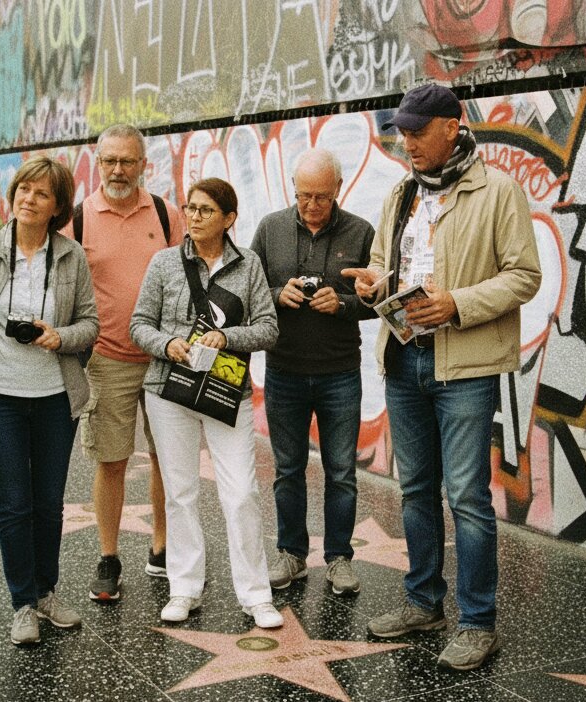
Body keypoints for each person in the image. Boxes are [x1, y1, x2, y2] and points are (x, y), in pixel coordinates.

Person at [343, 83, 541, 671]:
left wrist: (457, 303)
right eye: (401, 132)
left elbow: (524, 276)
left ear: (452, 127)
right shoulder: (401, 194)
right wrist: (373, 284)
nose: (407, 143)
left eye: (417, 131)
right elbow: (386, 264)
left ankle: (478, 624)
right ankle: (424, 602)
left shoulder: (498, 190)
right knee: (415, 491)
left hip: (465, 366)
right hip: (404, 358)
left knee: (468, 498)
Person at [0, 157, 99, 645]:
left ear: (57, 207)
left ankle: (47, 591)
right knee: (14, 504)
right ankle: (23, 604)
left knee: (48, 503)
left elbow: (91, 325)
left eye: (41, 193)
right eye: (23, 189)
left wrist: (60, 337)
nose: (28, 199)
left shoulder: (71, 256)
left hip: (55, 397)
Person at [129, 177, 282, 628]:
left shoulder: (248, 265)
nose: (193, 217)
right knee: (180, 492)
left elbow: (269, 328)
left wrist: (227, 336)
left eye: (205, 210)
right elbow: (140, 325)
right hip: (169, 390)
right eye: (190, 208)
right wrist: (169, 344)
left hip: (225, 391)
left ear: (229, 219)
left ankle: (256, 595)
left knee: (241, 493)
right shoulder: (164, 263)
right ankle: (184, 588)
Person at [249, 148, 375, 595]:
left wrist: (342, 304)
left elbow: (380, 299)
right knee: (288, 468)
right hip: (283, 368)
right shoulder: (270, 229)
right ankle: (291, 553)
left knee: (341, 470)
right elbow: (245, 290)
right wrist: (272, 293)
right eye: (304, 196)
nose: (312, 205)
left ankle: (339, 557)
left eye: (321, 196)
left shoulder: (361, 232)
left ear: (339, 189)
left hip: (340, 371)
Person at [75, 124, 184, 600]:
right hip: (107, 359)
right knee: (111, 460)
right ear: (98, 163)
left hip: (164, 358)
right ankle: (109, 556)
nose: (118, 170)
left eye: (127, 161)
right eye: (109, 161)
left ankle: (161, 548)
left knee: (166, 458)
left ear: (144, 164)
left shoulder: (166, 214)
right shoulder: (77, 219)